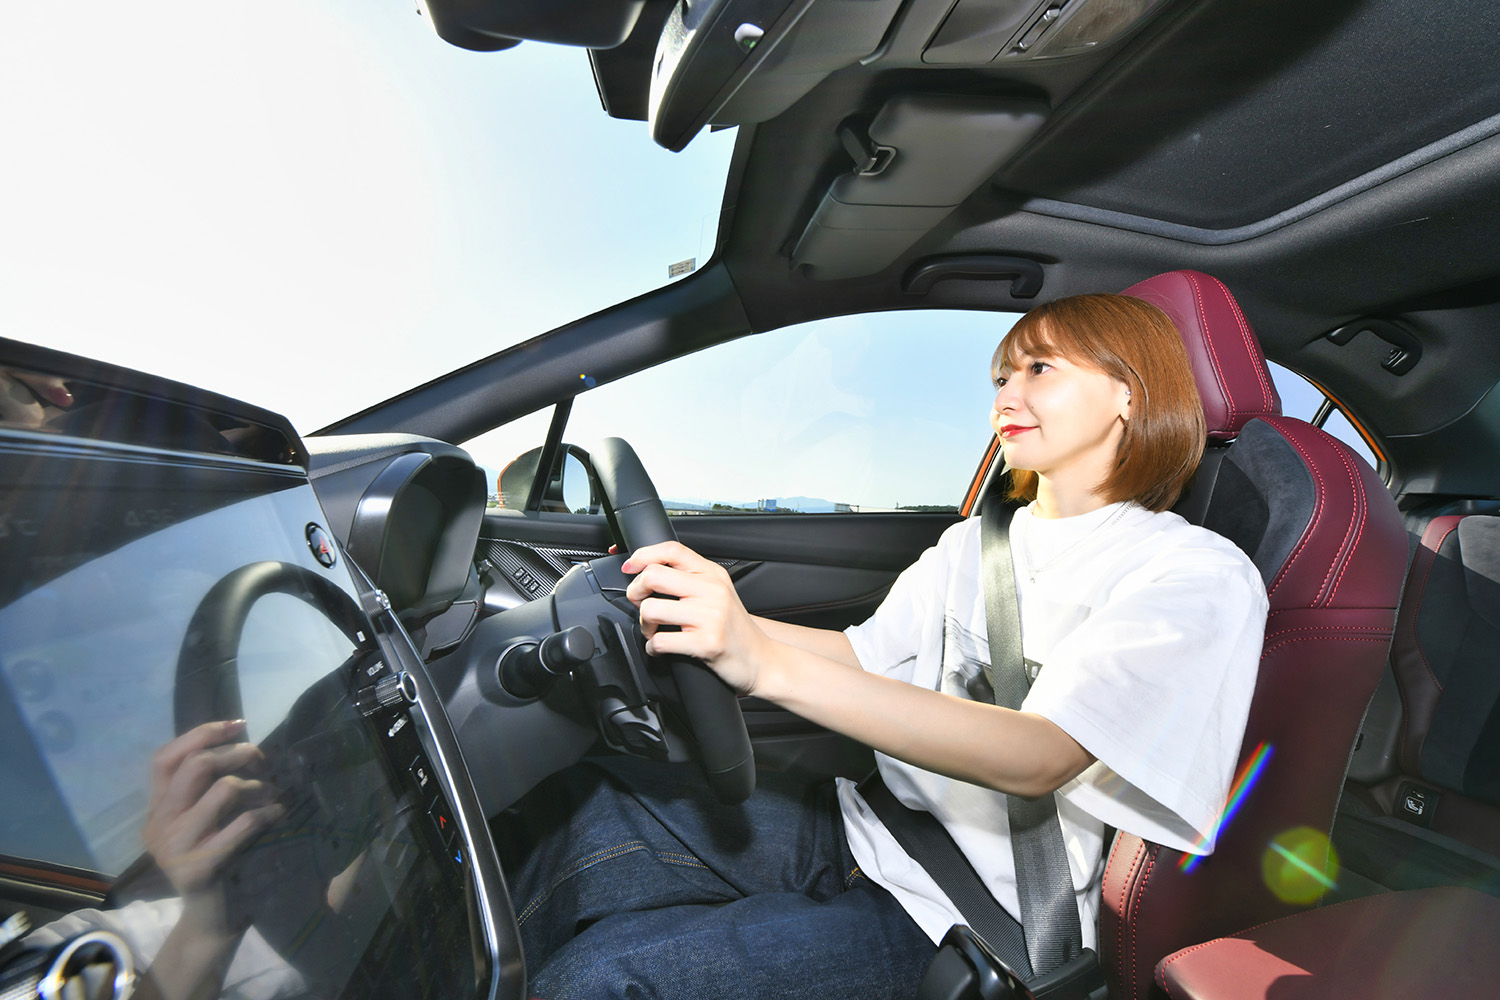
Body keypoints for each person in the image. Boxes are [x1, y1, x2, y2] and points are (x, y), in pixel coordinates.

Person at [497, 293, 1268, 999]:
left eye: (1040, 368)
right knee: (589, 806)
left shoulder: (1192, 574)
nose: (1006, 393)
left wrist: (762, 661)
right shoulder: (977, 543)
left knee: (602, 978)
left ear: (1129, 392)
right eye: (1001, 374)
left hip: (969, 917)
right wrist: (723, 614)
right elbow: (866, 657)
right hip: (867, 826)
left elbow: (1042, 756)